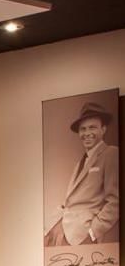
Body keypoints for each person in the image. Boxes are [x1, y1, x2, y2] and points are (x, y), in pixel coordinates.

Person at [45, 101, 119, 246]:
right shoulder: (80, 163)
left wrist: (92, 232)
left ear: (103, 129)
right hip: (63, 232)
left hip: (82, 236)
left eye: (92, 128)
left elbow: (116, 202)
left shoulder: (111, 153)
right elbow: (69, 203)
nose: (87, 133)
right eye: (83, 129)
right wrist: (50, 226)